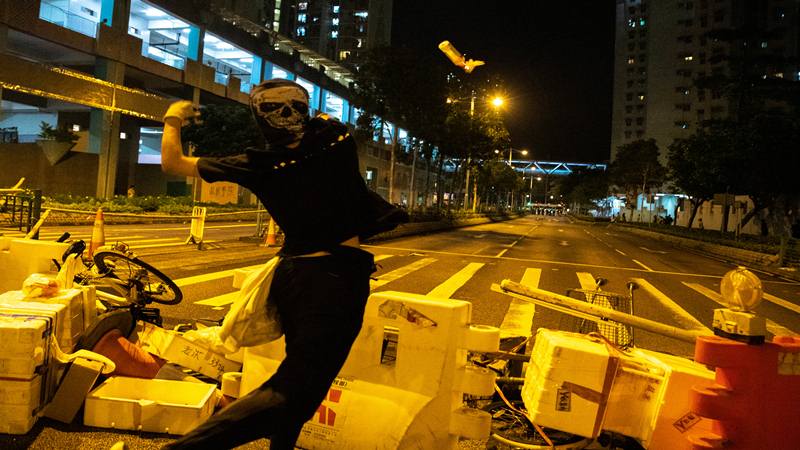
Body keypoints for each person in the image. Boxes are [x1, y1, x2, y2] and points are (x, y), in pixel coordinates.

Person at [158, 79, 408, 449]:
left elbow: (172, 163)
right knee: (294, 394)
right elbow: (327, 121)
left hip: (294, 276)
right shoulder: (337, 141)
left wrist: (172, 118)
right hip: (334, 282)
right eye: (281, 107)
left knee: (298, 382)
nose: (289, 114)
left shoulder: (259, 164)